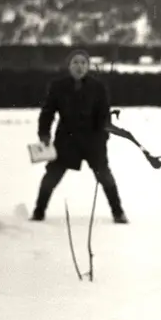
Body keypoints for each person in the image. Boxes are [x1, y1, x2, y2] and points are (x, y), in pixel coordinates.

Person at [31, 49, 128, 224]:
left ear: (88, 66)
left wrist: (102, 137)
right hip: (66, 141)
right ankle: (39, 212)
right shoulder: (57, 86)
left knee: (105, 176)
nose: (79, 66)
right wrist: (44, 134)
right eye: (75, 62)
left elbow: (104, 115)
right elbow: (47, 112)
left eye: (83, 63)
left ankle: (118, 212)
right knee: (51, 176)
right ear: (69, 66)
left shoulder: (98, 88)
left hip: (93, 142)